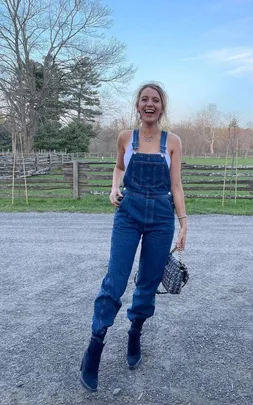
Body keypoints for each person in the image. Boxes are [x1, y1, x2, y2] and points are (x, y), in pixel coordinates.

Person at [79, 82, 188, 392]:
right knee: (115, 279)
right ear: (138, 105)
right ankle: (95, 346)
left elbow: (176, 186)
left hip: (162, 218)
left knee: (148, 283)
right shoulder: (126, 138)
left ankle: (135, 331)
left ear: (162, 107)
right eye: (144, 99)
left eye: (155, 100)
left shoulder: (173, 142)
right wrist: (115, 188)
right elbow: (118, 168)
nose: (149, 104)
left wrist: (184, 224)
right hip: (129, 213)